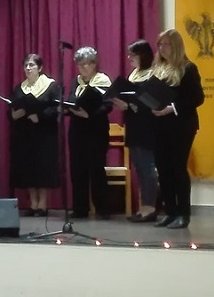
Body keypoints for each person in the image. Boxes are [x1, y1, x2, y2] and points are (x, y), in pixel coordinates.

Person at [151, 29, 205, 229]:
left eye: (166, 44)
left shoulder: (188, 68)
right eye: (160, 44)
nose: (162, 48)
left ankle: (183, 214)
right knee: (163, 169)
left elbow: (197, 98)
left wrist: (171, 107)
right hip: (160, 125)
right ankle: (170, 212)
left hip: (181, 125)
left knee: (177, 168)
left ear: (176, 46)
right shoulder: (158, 69)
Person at [111, 40, 159, 223]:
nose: (129, 58)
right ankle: (143, 207)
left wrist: (130, 105)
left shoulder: (153, 74)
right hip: (133, 125)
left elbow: (153, 103)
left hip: (147, 125)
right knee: (139, 167)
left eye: (133, 54)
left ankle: (150, 207)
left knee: (148, 168)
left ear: (143, 55)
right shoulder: (134, 74)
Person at [9, 54, 61, 216]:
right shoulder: (19, 88)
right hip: (24, 133)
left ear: (40, 68)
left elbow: (56, 108)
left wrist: (40, 116)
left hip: (45, 133)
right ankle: (33, 203)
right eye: (26, 65)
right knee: (28, 168)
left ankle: (43, 204)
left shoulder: (51, 86)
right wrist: (15, 114)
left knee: (43, 167)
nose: (28, 68)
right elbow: (12, 108)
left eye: (31, 65)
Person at [67, 46, 112, 219]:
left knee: (96, 168)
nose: (84, 67)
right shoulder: (75, 82)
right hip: (77, 129)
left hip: (96, 129)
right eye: (81, 64)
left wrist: (90, 114)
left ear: (95, 64)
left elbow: (107, 105)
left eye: (88, 63)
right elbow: (71, 100)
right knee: (77, 169)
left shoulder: (102, 80)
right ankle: (80, 208)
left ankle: (102, 208)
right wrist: (70, 109)